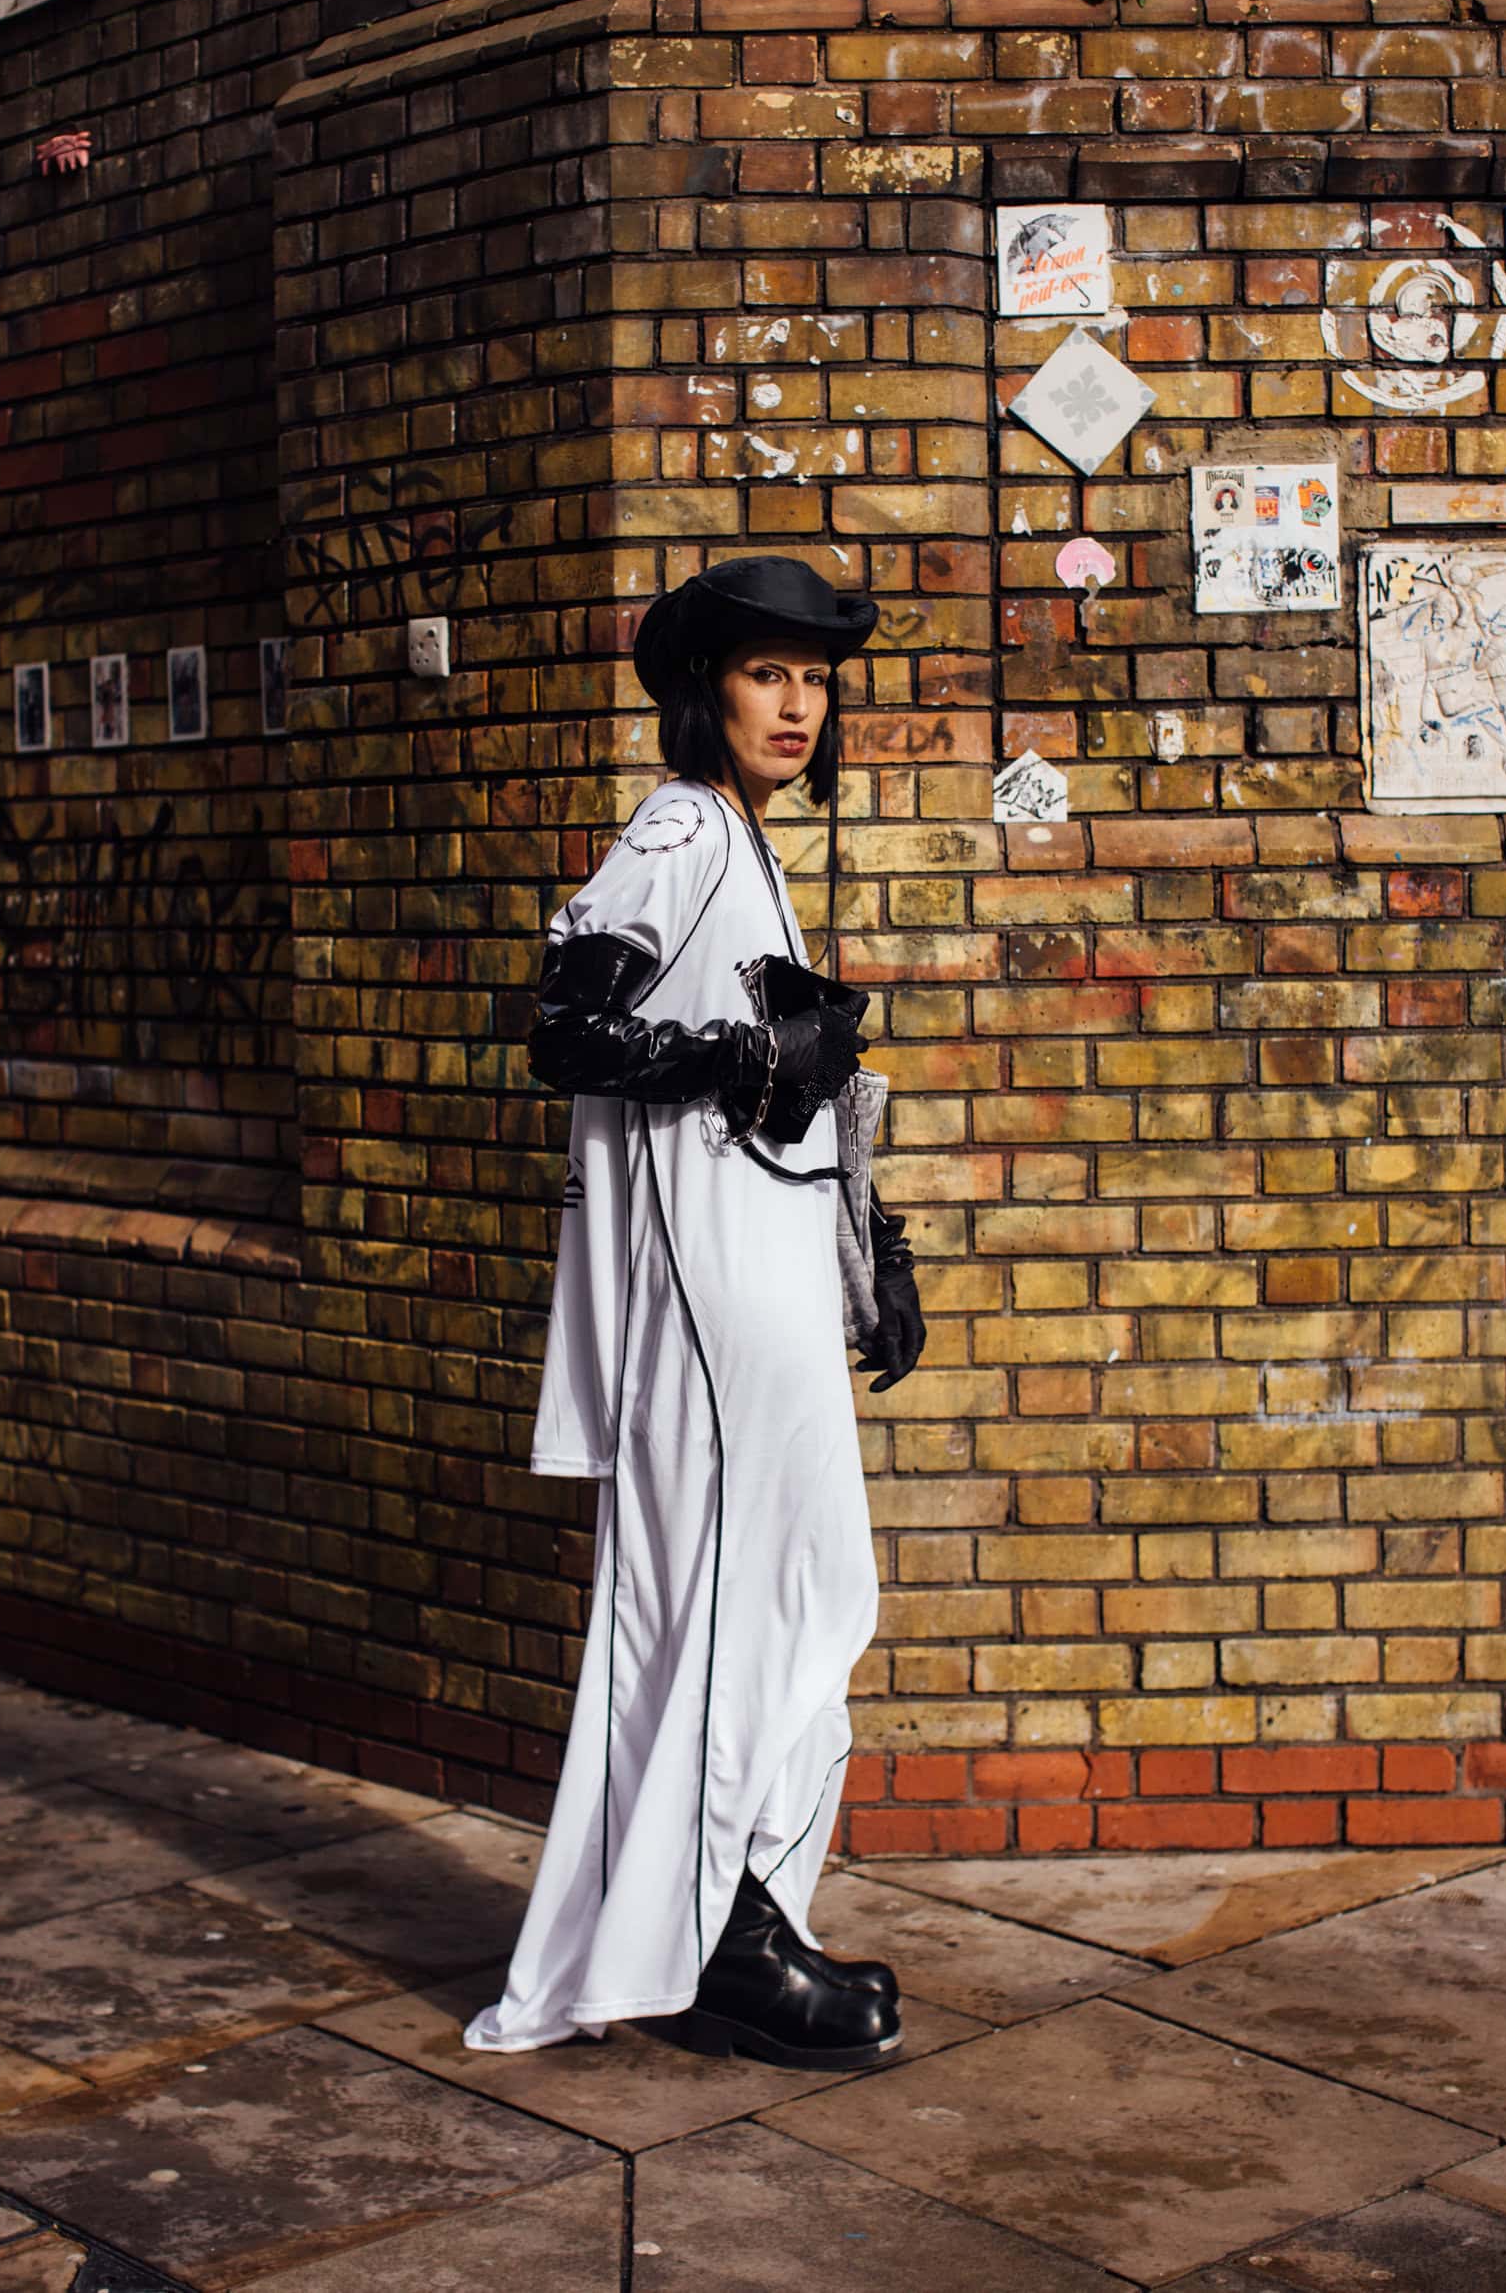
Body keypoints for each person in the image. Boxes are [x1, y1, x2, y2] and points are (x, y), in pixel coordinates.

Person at [461, 555, 927, 2072]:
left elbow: (796, 1083)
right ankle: (723, 1944)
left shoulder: (742, 841)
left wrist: (876, 1252)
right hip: (712, 1297)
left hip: (767, 1274)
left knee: (805, 1595)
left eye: (815, 679)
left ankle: (733, 1915)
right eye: (764, 673)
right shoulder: (678, 829)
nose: (797, 704)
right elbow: (565, 1029)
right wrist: (735, 1056)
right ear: (704, 691)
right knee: (740, 1609)